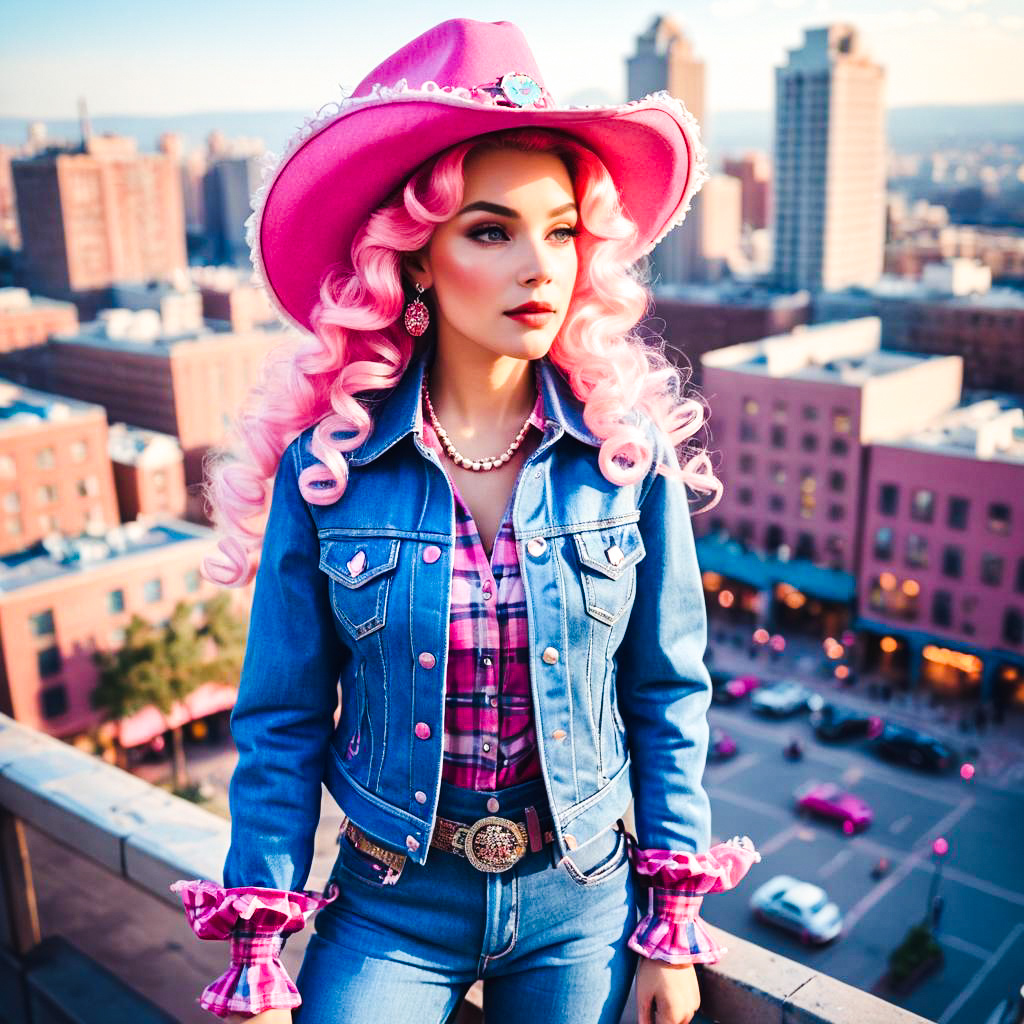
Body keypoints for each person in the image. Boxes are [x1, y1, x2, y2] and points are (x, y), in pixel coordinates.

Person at [170, 18, 760, 1024]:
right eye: (491, 230)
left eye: (563, 230)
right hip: (394, 897)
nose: (540, 265)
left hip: (579, 897)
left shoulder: (627, 460)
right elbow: (280, 720)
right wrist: (261, 949)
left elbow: (668, 693)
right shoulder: (328, 474)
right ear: (416, 260)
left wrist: (670, 922)